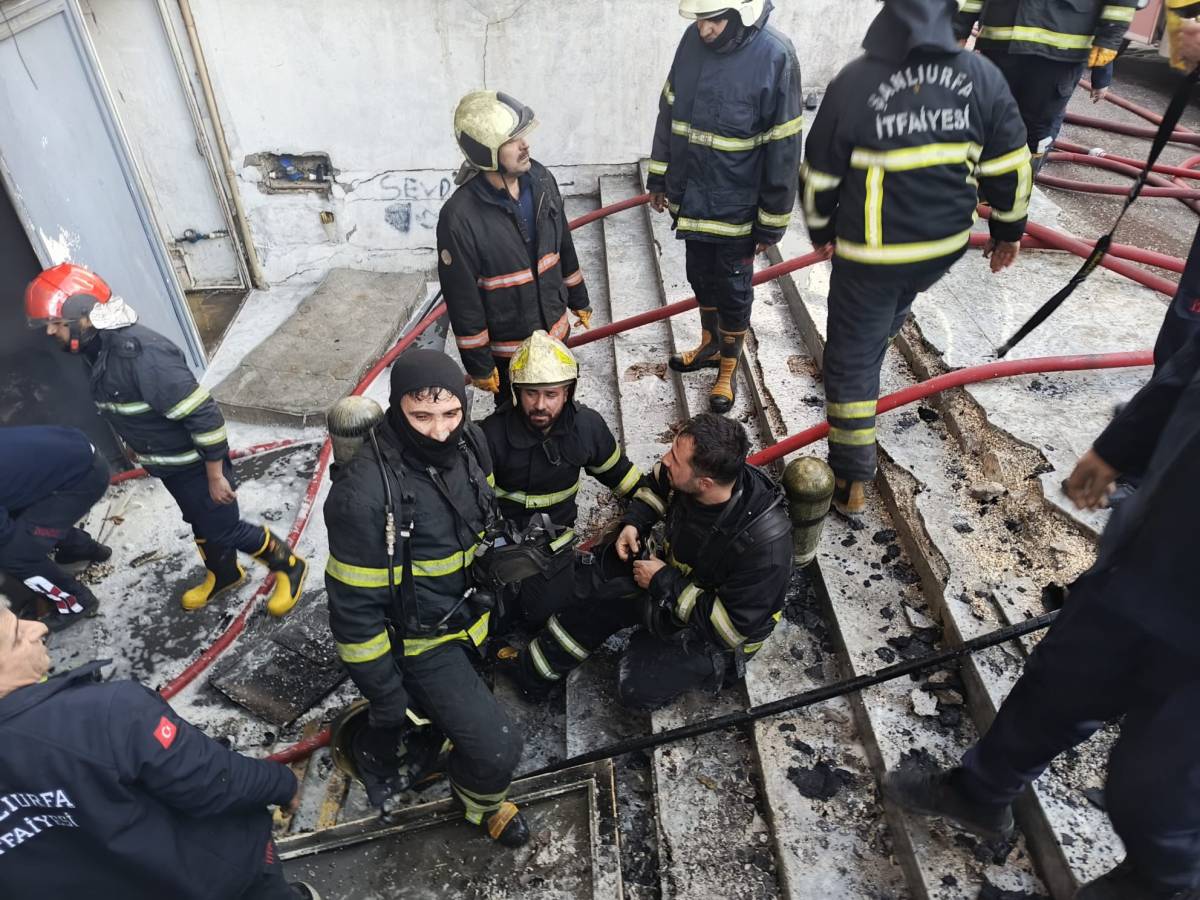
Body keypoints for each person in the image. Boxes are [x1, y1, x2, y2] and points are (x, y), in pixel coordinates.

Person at [884, 330, 1200, 898]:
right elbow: (1188, 360)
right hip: (1151, 553)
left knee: (1156, 790)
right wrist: (1119, 447)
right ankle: (978, 794)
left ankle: (1164, 881)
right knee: (1060, 681)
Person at [799, 0, 1031, 516]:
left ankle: (851, 478)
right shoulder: (982, 77)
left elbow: (818, 173)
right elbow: (1012, 163)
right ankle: (878, 332)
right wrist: (1008, 230)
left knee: (851, 361)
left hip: (873, 256)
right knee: (891, 305)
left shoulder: (856, 81)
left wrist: (822, 230)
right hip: (941, 249)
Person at [322, 349, 528, 846]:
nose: (440, 431)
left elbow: (482, 511)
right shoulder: (365, 495)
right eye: (422, 416)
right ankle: (479, 805)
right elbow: (355, 618)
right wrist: (386, 699)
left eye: (451, 413)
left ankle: (433, 716)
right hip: (423, 643)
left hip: (473, 613)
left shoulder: (472, 444)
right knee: (498, 751)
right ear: (396, 409)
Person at [25, 263, 308, 616]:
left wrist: (215, 474)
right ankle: (224, 575)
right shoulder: (97, 351)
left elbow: (204, 414)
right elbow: (128, 406)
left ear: (84, 315)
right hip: (170, 465)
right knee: (200, 521)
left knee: (227, 528)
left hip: (196, 466)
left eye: (57, 323)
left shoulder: (142, 356)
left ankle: (290, 566)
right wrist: (136, 442)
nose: (51, 331)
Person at [0, 600, 318, 899]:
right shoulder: (107, 714)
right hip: (214, 878)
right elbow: (214, 781)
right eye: (16, 637)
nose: (38, 628)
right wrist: (281, 783)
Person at [500, 413, 793, 710]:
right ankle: (530, 675)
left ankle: (665, 653)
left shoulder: (765, 548)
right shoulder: (686, 476)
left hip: (718, 633)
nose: (666, 459)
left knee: (636, 687)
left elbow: (727, 629)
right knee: (597, 596)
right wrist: (634, 523)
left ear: (704, 483)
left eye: (676, 458)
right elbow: (654, 486)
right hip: (673, 579)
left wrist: (663, 581)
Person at [647, 0, 803, 414]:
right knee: (699, 275)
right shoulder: (692, 43)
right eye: (699, 20)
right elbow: (669, 114)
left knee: (733, 288)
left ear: (741, 12)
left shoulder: (775, 55)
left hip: (738, 204)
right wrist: (660, 176)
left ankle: (727, 369)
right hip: (693, 195)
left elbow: (784, 146)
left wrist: (772, 220)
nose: (704, 30)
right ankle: (710, 345)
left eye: (713, 19)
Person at [480, 331, 650, 627]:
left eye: (551, 394)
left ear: (568, 392)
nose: (540, 405)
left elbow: (625, 479)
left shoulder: (586, 428)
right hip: (498, 547)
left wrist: (640, 518)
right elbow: (472, 506)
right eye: (531, 393)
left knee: (545, 617)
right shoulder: (491, 436)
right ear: (516, 391)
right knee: (492, 619)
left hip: (553, 548)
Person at [437, 91, 592, 407]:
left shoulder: (541, 179)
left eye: (522, 136)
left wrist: (579, 298)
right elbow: (462, 297)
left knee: (561, 410)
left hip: (556, 335)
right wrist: (479, 365)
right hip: (511, 353)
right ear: (485, 151)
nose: (525, 146)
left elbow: (562, 242)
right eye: (512, 140)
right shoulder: (459, 217)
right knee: (516, 427)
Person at [953, 0, 1139, 174]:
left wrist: (1107, 46)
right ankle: (981, 189)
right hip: (1000, 42)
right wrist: (959, 30)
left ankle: (1015, 193)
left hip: (1059, 52)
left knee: (1035, 132)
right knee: (986, 122)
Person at [0, 426, 111, 632]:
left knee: (13, 554)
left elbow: (4, 535)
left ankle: (76, 602)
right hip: (76, 458)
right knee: (16, 513)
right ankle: (81, 548)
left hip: (80, 480)